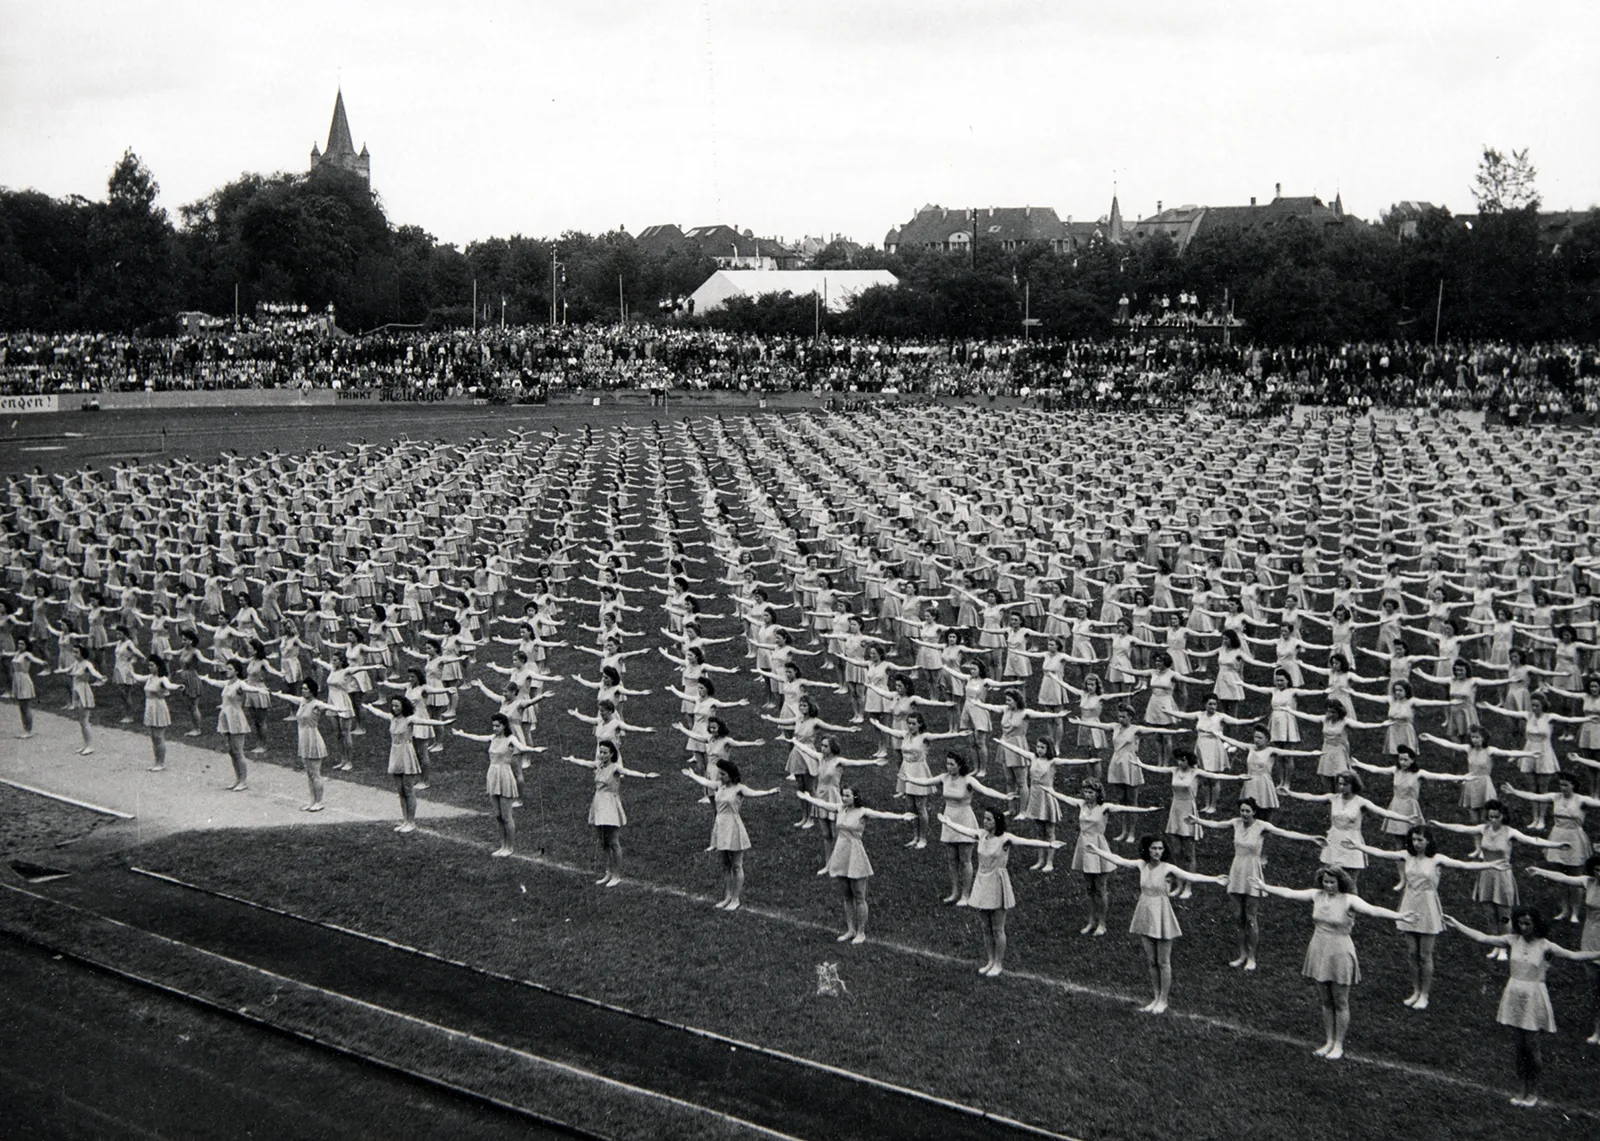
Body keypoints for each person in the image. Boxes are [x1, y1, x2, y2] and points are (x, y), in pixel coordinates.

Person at [1253, 867, 1415, 1061]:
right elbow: (1289, 892)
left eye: (1332, 882)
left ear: (1340, 883)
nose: (1328, 885)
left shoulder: (1349, 900)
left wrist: (1399, 916)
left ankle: (1339, 1044)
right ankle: (1329, 1041)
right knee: (1326, 1000)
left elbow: (1373, 910)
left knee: (1340, 1001)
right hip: (1319, 949)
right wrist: (1264, 886)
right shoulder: (1316, 895)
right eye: (1325, 882)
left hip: (1339, 952)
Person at [1442, 908, 1600, 1107]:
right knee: (1519, 1048)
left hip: (1533, 997)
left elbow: (1574, 956)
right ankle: (1521, 1090)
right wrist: (1456, 923)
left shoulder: (1545, 946)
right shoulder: (1511, 940)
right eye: (1521, 923)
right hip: (1514, 994)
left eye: (1528, 924)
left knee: (1532, 1049)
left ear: (1536, 925)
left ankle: (1532, 1091)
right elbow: (1482, 938)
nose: (1524, 927)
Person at [1343, 826, 1505, 1010]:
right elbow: (1382, 853)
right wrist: (1358, 846)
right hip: (1410, 903)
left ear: (1428, 841)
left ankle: (1425, 994)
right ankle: (1415, 990)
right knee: (1412, 953)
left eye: (1420, 840)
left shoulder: (1437, 860)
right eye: (1413, 839)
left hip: (1428, 906)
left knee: (1425, 955)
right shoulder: (1406, 855)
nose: (1416, 843)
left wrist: (1491, 865)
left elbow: (1464, 865)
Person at [1090, 835, 1228, 1013]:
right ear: (1147, 849)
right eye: (1154, 848)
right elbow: (1118, 859)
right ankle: (1155, 997)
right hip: (1145, 911)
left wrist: (1214, 879)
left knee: (1163, 961)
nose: (1157, 852)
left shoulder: (1167, 867)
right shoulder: (1142, 864)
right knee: (1151, 960)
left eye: (1160, 849)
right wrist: (1096, 851)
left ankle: (1164, 1000)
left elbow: (1190, 876)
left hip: (1162, 913)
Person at [1191, 798, 1321, 970]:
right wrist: (1197, 820)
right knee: (1238, 917)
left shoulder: (1262, 826)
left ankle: (1252, 957)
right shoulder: (1235, 823)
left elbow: (1285, 833)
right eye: (1242, 810)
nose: (1244, 814)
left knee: (1251, 917)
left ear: (1254, 812)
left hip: (1252, 871)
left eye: (1247, 811)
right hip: (1236, 871)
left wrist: (1311, 838)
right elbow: (1215, 824)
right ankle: (1242, 954)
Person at [936, 808, 1063, 977]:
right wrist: (948, 823)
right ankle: (989, 960)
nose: (984, 821)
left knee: (997, 928)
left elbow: (1026, 841)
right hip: (982, 881)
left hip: (997, 882)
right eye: (984, 818)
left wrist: (1049, 844)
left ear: (996, 821)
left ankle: (998, 963)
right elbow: (964, 830)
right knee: (985, 927)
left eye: (988, 819)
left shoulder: (1005, 838)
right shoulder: (981, 835)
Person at [796, 786, 914, 942]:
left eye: (847, 796)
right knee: (846, 895)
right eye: (843, 795)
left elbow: (882, 815)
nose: (844, 798)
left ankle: (861, 932)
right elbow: (823, 804)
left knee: (859, 895)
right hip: (841, 852)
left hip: (855, 853)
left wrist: (901, 817)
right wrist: (808, 798)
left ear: (855, 797)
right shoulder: (840, 809)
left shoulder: (862, 812)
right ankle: (850, 930)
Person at [1051, 779, 1157, 936]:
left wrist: (1147, 809)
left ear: (1098, 793)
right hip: (1083, 846)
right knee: (1089, 888)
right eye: (1085, 792)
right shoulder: (1081, 804)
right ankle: (1090, 921)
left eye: (1091, 792)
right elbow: (1061, 797)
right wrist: (1047, 789)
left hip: (1098, 846)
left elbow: (1125, 808)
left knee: (1100, 888)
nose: (1087, 795)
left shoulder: (1105, 807)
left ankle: (1102, 924)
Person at [903, 752, 1011, 904]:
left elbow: (985, 790)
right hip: (948, 819)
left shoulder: (968, 780)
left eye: (952, 764)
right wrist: (910, 779)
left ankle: (965, 895)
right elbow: (926, 781)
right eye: (947, 764)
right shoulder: (944, 778)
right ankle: (955, 892)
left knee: (965, 860)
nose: (949, 767)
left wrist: (1005, 797)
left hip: (965, 819)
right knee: (952, 860)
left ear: (960, 765)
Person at [681, 761, 780, 911]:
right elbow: (705, 781)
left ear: (731, 775)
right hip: (720, 826)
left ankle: (736, 899)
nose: (720, 776)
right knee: (725, 865)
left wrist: (769, 792)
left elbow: (754, 793)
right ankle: (727, 896)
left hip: (733, 826)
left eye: (723, 774)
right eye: (719, 773)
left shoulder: (740, 788)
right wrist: (692, 775)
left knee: (736, 865)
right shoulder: (718, 786)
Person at [1528, 855, 1600, 1044]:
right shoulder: (1588, 881)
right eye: (1597, 870)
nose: (1599, 873)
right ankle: (1597, 1031)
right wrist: (1540, 871)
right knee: (1595, 989)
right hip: (1591, 938)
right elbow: (1563, 878)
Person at [565, 739, 658, 880]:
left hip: (610, 805)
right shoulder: (598, 765)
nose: (601, 755)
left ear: (612, 753)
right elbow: (584, 763)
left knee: (613, 842)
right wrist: (572, 759)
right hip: (598, 804)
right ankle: (608, 873)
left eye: (605, 752)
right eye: (600, 752)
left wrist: (645, 776)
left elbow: (629, 772)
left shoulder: (615, 767)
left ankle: (617, 875)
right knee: (603, 841)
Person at [455, 714, 546, 855]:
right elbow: (478, 737)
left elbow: (521, 747)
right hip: (492, 775)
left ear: (504, 725)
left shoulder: (511, 739)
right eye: (493, 725)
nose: (495, 728)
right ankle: (503, 846)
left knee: (506, 816)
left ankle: (510, 847)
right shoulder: (493, 738)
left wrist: (535, 750)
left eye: (497, 725)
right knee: (497, 815)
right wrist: (462, 734)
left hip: (505, 776)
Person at [366, 694, 451, 833]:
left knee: (408, 790)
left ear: (403, 706)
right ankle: (405, 820)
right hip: (395, 754)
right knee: (400, 791)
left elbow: (426, 722)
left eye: (397, 706)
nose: (394, 708)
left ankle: (411, 822)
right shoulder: (392, 718)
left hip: (406, 753)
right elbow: (380, 713)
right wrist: (370, 707)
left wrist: (442, 723)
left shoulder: (409, 719)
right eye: (392, 706)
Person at [197, 659, 267, 789]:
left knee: (238, 751)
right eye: (226, 669)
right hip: (226, 718)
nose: (226, 671)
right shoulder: (227, 683)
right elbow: (215, 682)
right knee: (231, 751)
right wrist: (205, 679)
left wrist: (259, 691)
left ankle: (243, 781)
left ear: (236, 671)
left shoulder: (240, 684)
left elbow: (248, 688)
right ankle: (238, 779)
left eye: (229, 669)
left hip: (236, 719)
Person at [274, 678, 340, 810]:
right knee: (309, 773)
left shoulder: (316, 704)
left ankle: (319, 802)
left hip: (313, 739)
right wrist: (279, 695)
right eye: (302, 689)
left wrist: (340, 709)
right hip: (303, 739)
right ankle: (312, 801)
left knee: (315, 773)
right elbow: (291, 698)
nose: (303, 691)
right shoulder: (302, 701)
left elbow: (328, 707)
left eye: (305, 689)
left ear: (312, 691)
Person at [128, 656, 184, 771]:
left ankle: (161, 763)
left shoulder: (162, 678)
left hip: (158, 707)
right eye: (149, 665)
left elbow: (169, 686)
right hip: (150, 707)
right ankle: (156, 761)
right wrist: (131, 672)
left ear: (158, 666)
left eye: (152, 665)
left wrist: (178, 686)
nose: (149, 667)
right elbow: (139, 677)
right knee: (153, 737)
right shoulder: (150, 677)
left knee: (159, 736)